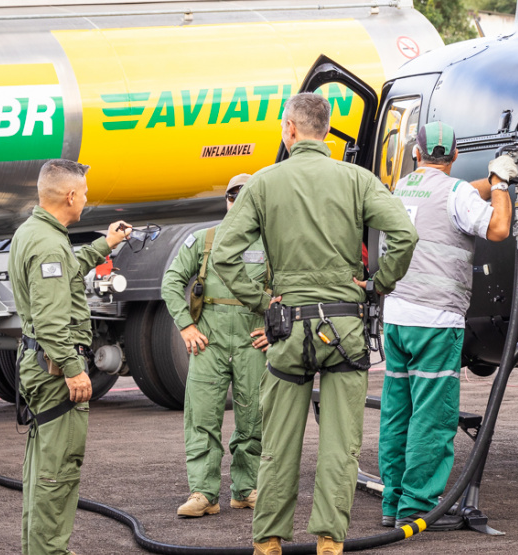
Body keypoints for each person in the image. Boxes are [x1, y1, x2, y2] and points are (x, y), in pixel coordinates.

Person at [211, 93, 417, 555]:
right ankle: (329, 539)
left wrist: (261, 299)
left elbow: (223, 254)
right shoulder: (358, 180)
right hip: (345, 327)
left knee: (279, 441)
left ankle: (267, 540)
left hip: (287, 327)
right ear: (325, 131)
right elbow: (405, 234)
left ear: (289, 129)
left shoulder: (264, 183)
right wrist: (376, 284)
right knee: (340, 445)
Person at [378, 122, 518, 530]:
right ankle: (418, 507)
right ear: (454, 156)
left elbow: (449, 195)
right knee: (432, 415)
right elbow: (498, 228)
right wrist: (503, 187)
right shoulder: (455, 193)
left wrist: (488, 182)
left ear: (417, 154)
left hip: (398, 317)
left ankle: (393, 502)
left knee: (398, 410)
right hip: (435, 322)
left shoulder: (402, 188)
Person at [8, 159, 131, 555]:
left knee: (42, 467)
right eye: (86, 193)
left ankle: (39, 548)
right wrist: (74, 370)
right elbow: (49, 320)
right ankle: (49, 551)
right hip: (53, 367)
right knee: (57, 472)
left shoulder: (35, 233)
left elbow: (67, 270)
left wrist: (104, 244)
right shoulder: (47, 242)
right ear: (71, 195)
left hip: (39, 363)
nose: (87, 199)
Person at [160, 173, 270, 518]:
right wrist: (187, 325)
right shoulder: (204, 240)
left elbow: (289, 291)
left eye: (245, 196)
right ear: (227, 201)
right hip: (209, 343)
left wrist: (274, 329)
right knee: (202, 418)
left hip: (252, 342)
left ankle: (246, 489)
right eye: (232, 196)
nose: (237, 202)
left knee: (254, 419)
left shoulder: (272, 245)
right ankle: (203, 493)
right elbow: (171, 282)